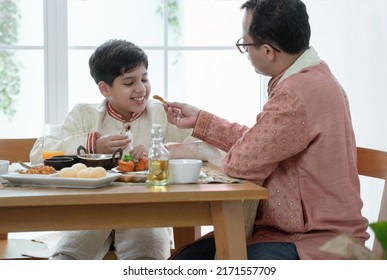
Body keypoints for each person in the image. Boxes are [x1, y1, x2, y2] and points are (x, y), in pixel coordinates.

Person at [164, 0, 369, 260]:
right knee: (187, 259)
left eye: (245, 44)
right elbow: (263, 142)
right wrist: (202, 121)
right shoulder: (313, 76)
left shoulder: (295, 94)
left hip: (317, 240)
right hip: (292, 232)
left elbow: (240, 163)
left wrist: (201, 150)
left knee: (192, 262)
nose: (246, 53)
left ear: (269, 51)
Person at [29, 39, 224, 260]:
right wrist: (91, 145)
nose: (141, 89)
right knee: (67, 258)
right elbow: (38, 154)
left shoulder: (164, 115)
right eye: (129, 82)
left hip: (149, 213)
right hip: (88, 211)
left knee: (146, 259)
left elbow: (216, 152)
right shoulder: (84, 115)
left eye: (145, 78)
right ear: (105, 88)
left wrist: (164, 151)